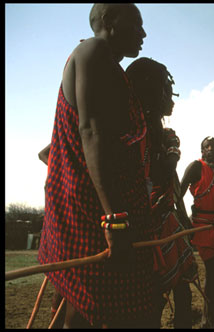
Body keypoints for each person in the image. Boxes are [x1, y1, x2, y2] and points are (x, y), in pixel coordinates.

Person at [37, 4, 156, 328]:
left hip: (100, 207)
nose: (143, 33)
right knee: (91, 305)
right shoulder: (93, 51)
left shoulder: (111, 69)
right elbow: (90, 132)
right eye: (136, 23)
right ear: (108, 20)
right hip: (90, 211)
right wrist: (114, 219)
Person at [125, 57, 197, 329]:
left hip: (164, 224)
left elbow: (169, 184)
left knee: (182, 294)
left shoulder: (162, 136)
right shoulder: (131, 132)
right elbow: (155, 179)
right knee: (151, 303)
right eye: (165, 90)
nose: (171, 97)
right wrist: (171, 158)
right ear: (147, 90)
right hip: (138, 228)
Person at [180, 136, 214, 328]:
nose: (210, 149)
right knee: (210, 274)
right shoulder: (195, 167)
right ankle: (208, 321)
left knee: (212, 276)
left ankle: (208, 320)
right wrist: (185, 221)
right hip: (201, 225)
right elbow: (179, 192)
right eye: (206, 146)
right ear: (202, 150)